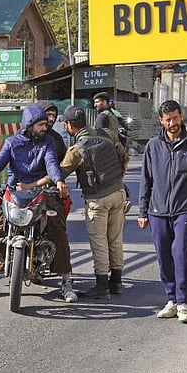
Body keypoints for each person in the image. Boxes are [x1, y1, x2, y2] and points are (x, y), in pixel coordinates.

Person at [0, 105, 76, 302]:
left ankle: (66, 282)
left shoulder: (47, 141)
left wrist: (58, 181)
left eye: (45, 124)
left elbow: (51, 164)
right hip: (15, 192)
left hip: (42, 192)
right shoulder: (12, 143)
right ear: (29, 125)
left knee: (57, 228)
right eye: (40, 124)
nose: (44, 128)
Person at [138, 99, 187, 324]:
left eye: (176, 118)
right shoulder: (153, 146)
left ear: (182, 117)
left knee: (180, 253)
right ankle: (171, 300)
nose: (173, 123)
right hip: (158, 210)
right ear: (161, 121)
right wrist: (142, 211)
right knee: (163, 256)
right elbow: (146, 180)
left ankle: (184, 303)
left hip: (186, 209)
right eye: (168, 119)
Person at [56, 105, 129, 298]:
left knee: (99, 242)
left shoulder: (76, 150)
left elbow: (59, 173)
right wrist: (119, 176)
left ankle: (102, 286)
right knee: (115, 239)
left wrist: (33, 184)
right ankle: (117, 283)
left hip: (98, 199)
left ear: (70, 125)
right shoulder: (106, 134)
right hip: (119, 193)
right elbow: (124, 157)